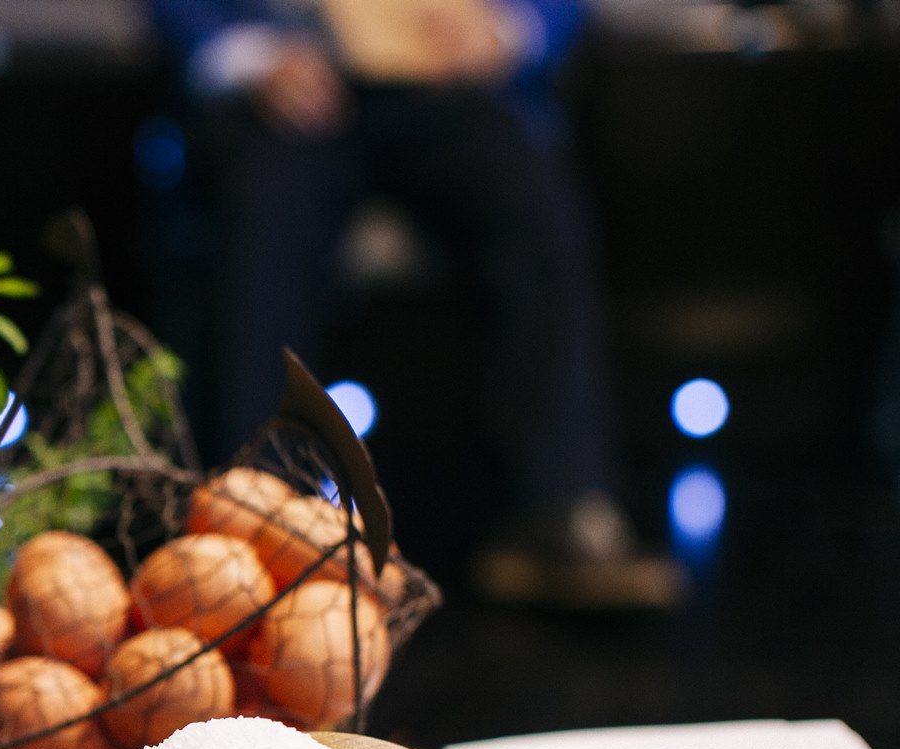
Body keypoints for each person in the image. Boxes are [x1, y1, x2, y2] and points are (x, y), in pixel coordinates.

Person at [153, 0, 684, 609]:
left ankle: (559, 511)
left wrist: (508, 30)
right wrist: (254, 59)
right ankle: (253, 525)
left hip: (446, 84)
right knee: (262, 220)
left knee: (533, 201)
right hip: (290, 82)